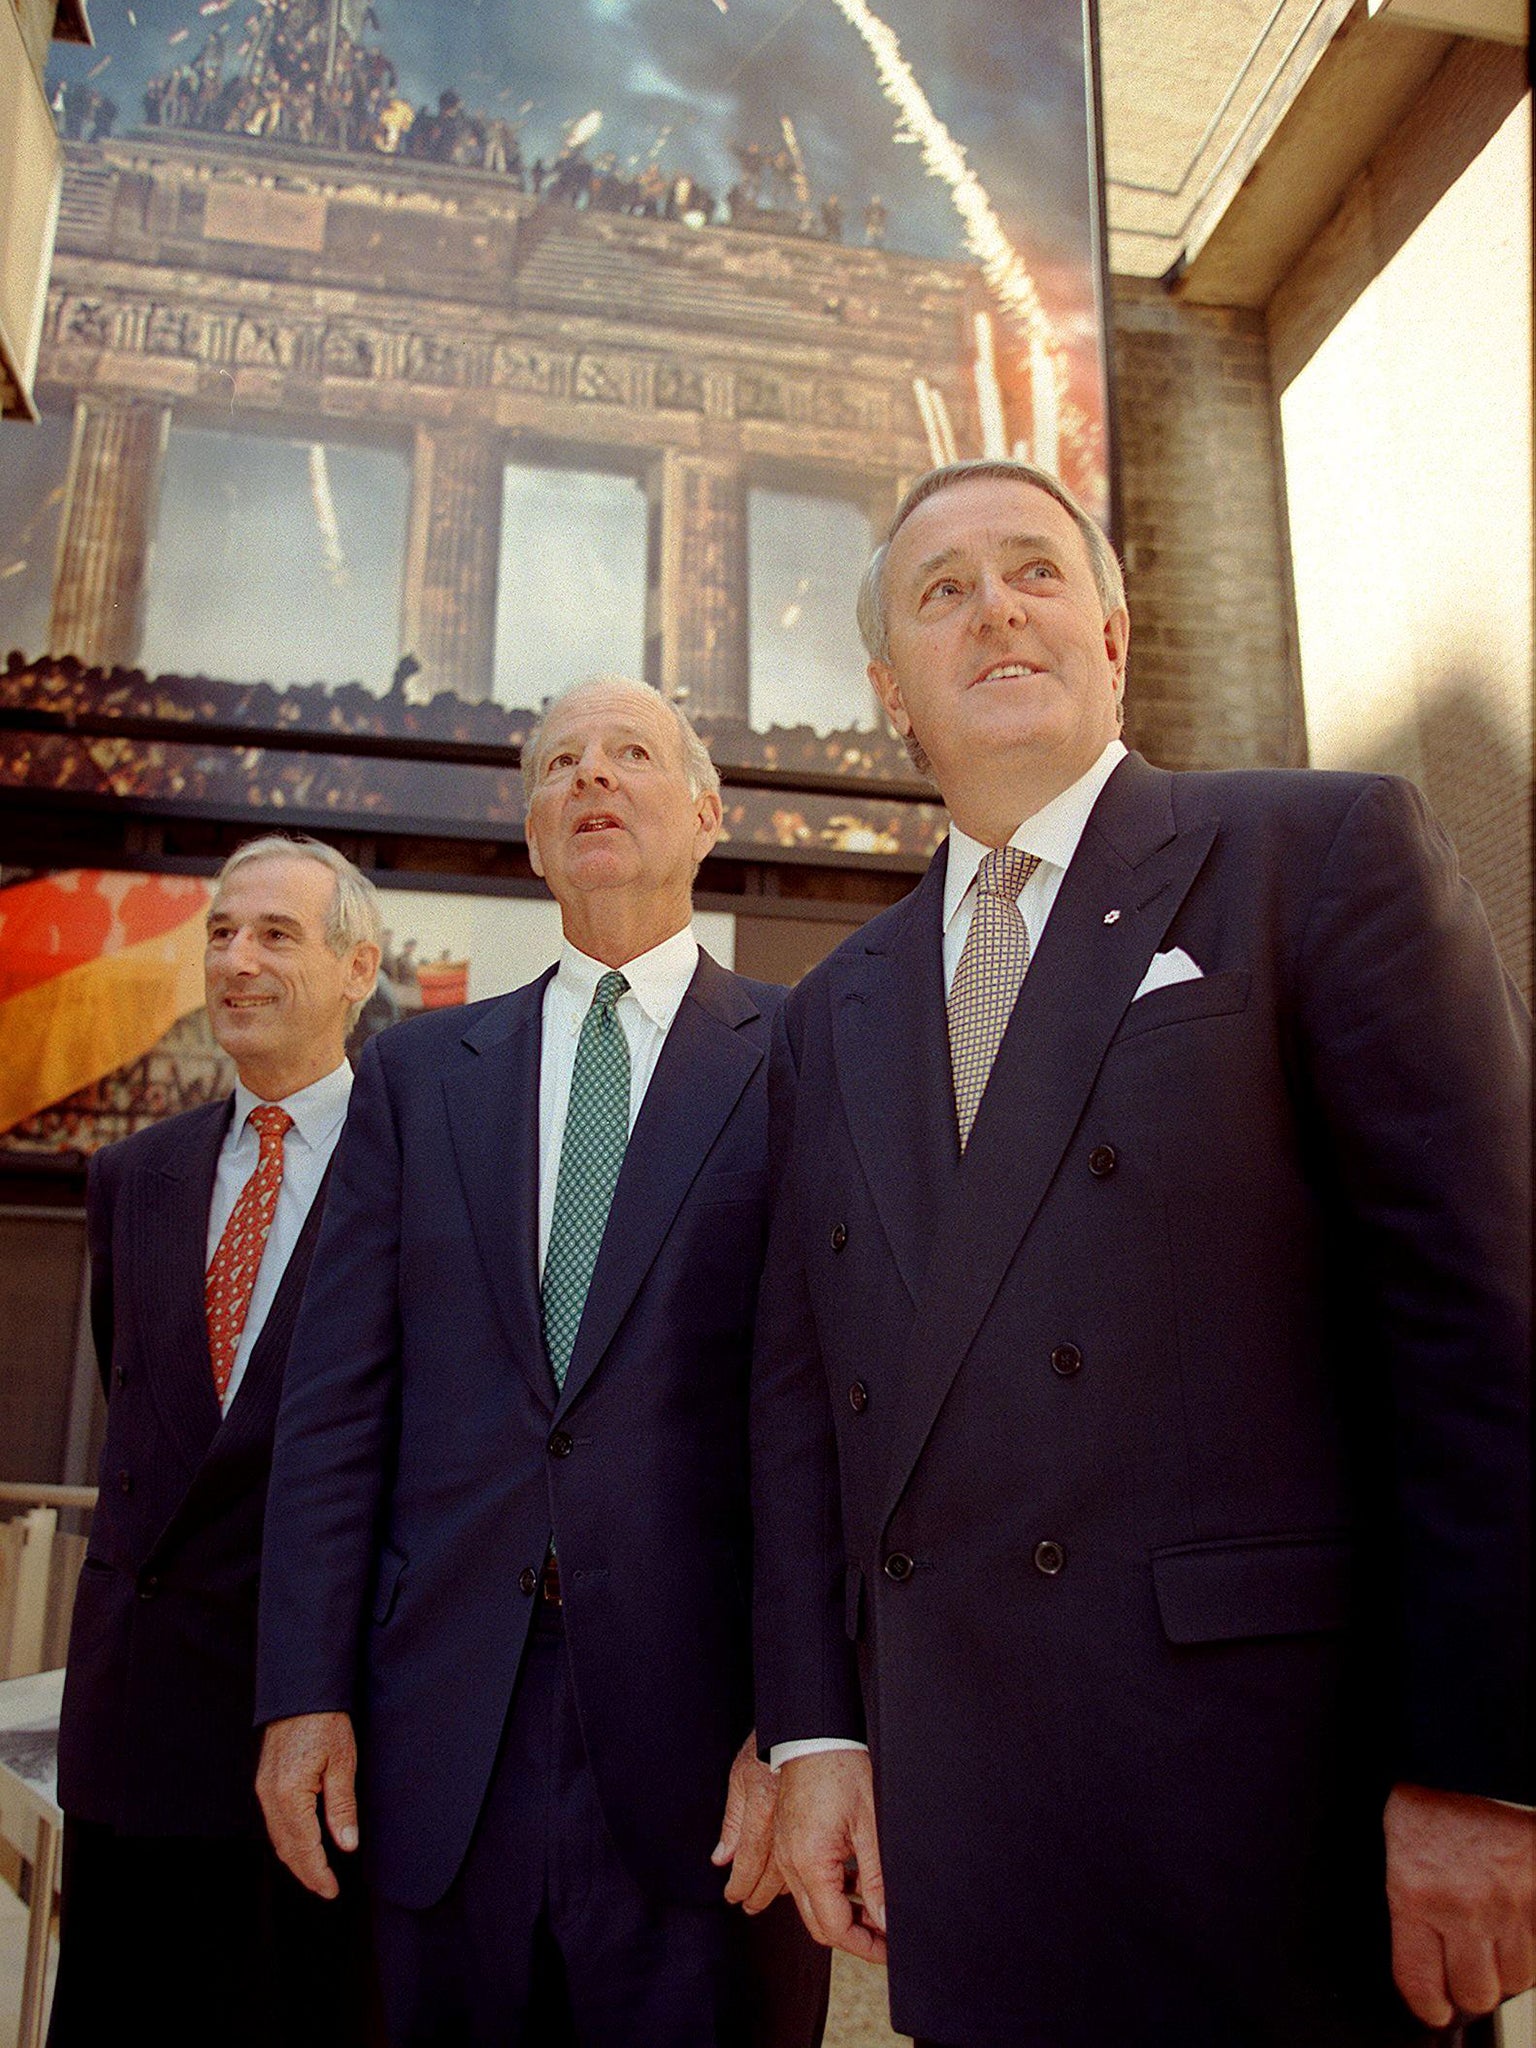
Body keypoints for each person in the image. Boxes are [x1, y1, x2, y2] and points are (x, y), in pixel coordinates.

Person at [750, 458, 1533, 2048]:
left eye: (1033, 570)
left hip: (1271, 1820)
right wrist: (815, 1734)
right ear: (893, 689)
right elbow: (799, 1398)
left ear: (1113, 632)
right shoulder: (835, 1003)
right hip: (975, 1846)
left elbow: (1483, 1325)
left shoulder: (1321, 852)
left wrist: (1483, 1768)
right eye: (943, 590)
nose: (997, 610)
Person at [254, 678, 830, 2047]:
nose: (590, 778)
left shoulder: (809, 1055)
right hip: (442, 1735)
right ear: (530, 836)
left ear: (705, 812)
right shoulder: (416, 1074)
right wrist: (301, 1692)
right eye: (559, 761)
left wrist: (808, 1728)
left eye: (630, 753)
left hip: (710, 1760)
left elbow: (833, 1424)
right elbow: (337, 1409)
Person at [50, 835, 384, 2048]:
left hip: (324, 1744)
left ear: (361, 965)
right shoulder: (130, 1174)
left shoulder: (422, 1171)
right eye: (222, 933)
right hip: (136, 1740)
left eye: (276, 934)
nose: (237, 960)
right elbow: (154, 1415)